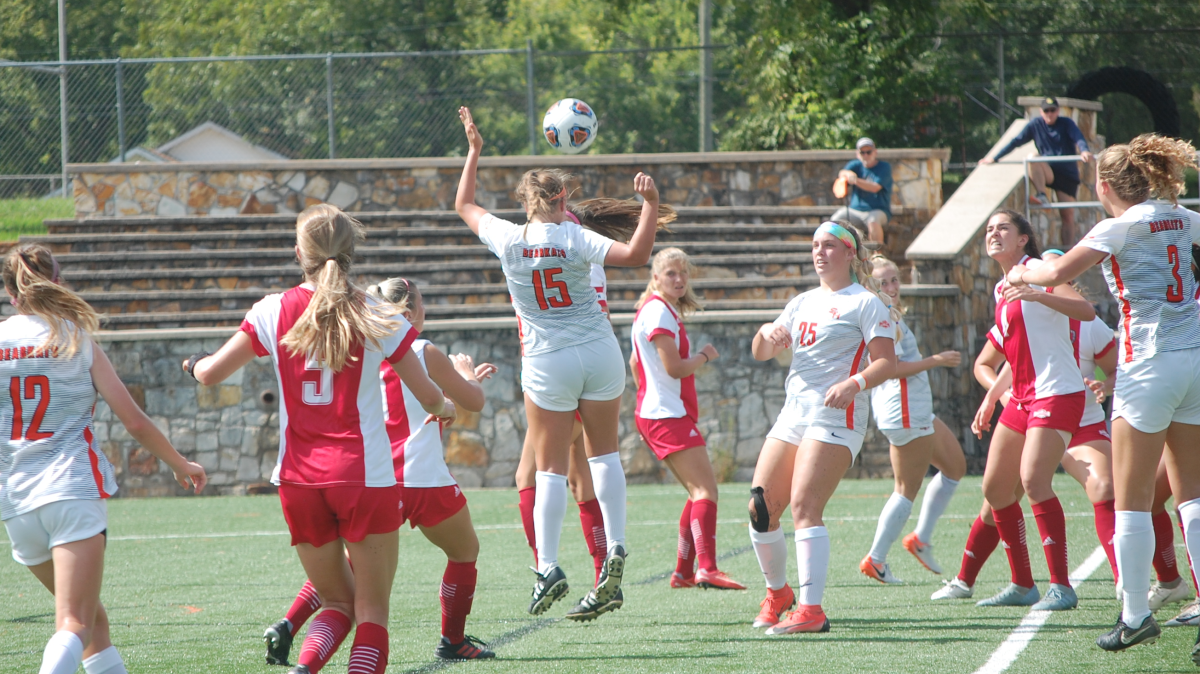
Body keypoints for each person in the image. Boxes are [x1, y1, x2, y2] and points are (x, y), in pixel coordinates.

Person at [185, 205, 456, 674]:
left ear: (299, 254)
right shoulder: (376, 311)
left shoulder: (272, 309)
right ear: (352, 252)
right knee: (371, 612)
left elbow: (209, 374)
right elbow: (429, 396)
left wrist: (192, 364)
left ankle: (304, 668)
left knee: (336, 602)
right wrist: (447, 407)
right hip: (364, 477)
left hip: (298, 480)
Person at [455, 106, 660, 621]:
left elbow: (463, 204)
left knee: (547, 471)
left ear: (524, 202)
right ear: (564, 198)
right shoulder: (575, 237)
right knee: (604, 458)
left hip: (548, 360)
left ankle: (547, 566)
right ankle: (614, 549)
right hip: (599, 351)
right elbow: (638, 255)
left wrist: (475, 152)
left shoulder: (509, 238)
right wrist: (651, 205)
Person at [1002, 133, 1200, 656]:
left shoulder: (1119, 224)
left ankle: (1134, 614)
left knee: (1131, 501)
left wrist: (1022, 271)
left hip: (1149, 366)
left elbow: (1056, 271)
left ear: (1104, 184)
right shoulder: (1181, 216)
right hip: (1195, 361)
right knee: (1194, 498)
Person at [262, 278, 499, 665]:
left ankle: (289, 624)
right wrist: (467, 373)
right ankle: (453, 640)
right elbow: (472, 400)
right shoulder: (422, 349)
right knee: (464, 550)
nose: (425, 313)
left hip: (375, 475)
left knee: (348, 568)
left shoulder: (360, 348)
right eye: (422, 305)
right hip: (421, 477)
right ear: (407, 314)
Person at [0, 244, 207, 674]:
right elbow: (133, 421)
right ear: (58, 282)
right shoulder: (74, 337)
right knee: (75, 622)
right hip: (71, 491)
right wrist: (178, 463)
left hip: (16, 503)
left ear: (10, 293)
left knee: (94, 623)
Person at [514, 200, 676, 607]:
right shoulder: (587, 254)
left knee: (529, 474)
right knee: (584, 477)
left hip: (554, 371)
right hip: (597, 366)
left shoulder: (540, 252)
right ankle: (606, 575)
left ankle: (544, 568)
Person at [746, 221, 897, 635]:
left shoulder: (866, 302)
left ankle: (811, 610)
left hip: (836, 415)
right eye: (815, 245)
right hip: (794, 412)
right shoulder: (801, 302)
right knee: (761, 508)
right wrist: (766, 332)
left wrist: (854, 383)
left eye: (829, 245)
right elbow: (761, 351)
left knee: (804, 507)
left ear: (850, 254)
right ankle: (778, 594)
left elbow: (887, 363)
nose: (819, 252)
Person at [969, 209, 1095, 612]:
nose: (994, 234)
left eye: (1003, 227)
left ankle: (1062, 586)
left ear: (1024, 238)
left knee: (1033, 480)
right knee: (994, 489)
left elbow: (1087, 311)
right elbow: (1012, 353)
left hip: (1058, 392)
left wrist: (1040, 292)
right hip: (1022, 398)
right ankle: (1023, 583)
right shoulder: (1000, 287)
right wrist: (991, 397)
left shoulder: (1039, 268)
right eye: (989, 229)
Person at [630, 247, 746, 591]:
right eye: (671, 274)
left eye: (683, 273)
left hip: (658, 413)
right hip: (666, 414)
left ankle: (683, 572)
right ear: (655, 278)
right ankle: (706, 568)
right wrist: (703, 356)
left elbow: (637, 366)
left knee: (696, 492)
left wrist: (643, 412)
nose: (679, 279)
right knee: (705, 489)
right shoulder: (659, 312)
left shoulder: (656, 310)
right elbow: (675, 368)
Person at [858, 255, 966, 584]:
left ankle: (920, 538)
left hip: (915, 410)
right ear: (870, 286)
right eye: (883, 283)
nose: (891, 287)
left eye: (894, 280)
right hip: (903, 412)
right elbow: (890, 368)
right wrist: (936, 360)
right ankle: (875, 560)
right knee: (905, 490)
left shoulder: (887, 313)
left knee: (955, 467)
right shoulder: (880, 316)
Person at [980, 96, 1095, 245]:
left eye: (1052, 110)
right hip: (1048, 171)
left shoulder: (1066, 123)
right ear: (1041, 112)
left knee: (1067, 216)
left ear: (1058, 111)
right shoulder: (1035, 125)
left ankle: (1068, 251)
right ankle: (1042, 195)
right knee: (1032, 158)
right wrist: (994, 158)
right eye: (1046, 111)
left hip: (1067, 174)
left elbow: (1078, 137)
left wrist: (1084, 151)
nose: (1049, 114)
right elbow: (1016, 141)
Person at [832, 138, 893, 245]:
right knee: (835, 220)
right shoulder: (855, 165)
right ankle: (837, 250)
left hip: (878, 209)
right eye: (862, 152)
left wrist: (855, 180)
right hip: (855, 210)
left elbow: (875, 187)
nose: (865, 155)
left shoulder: (884, 167)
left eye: (868, 152)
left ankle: (877, 254)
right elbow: (842, 173)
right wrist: (848, 174)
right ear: (857, 154)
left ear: (875, 152)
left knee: (873, 220)